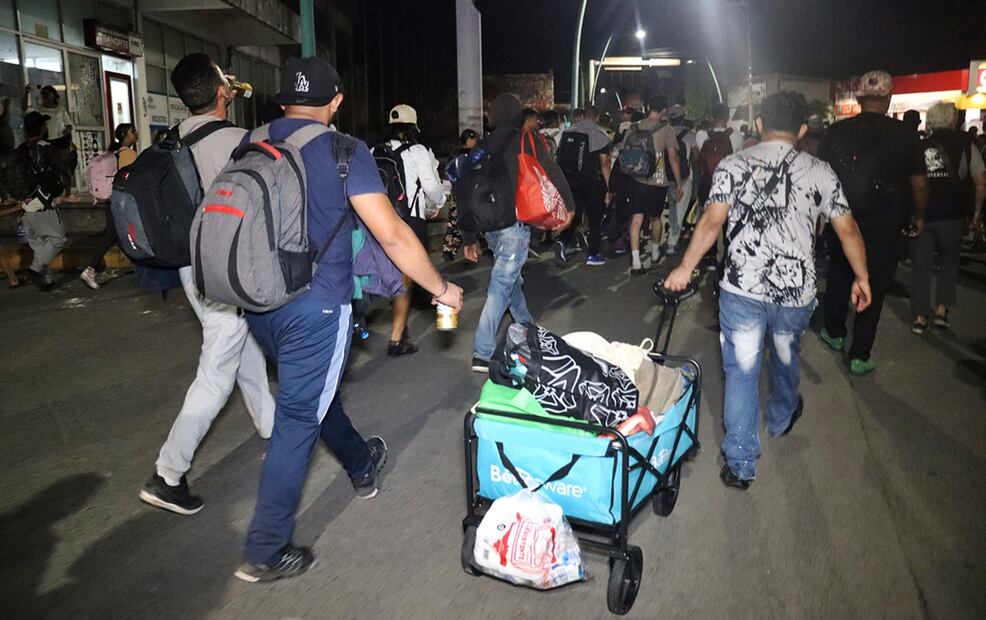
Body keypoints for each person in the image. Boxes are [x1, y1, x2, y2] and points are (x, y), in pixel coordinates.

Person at [233, 57, 463, 582]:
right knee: (297, 418)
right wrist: (443, 288)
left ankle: (361, 464)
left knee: (310, 393)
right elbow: (393, 235)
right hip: (316, 305)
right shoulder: (343, 150)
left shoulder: (251, 142)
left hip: (258, 302)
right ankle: (266, 548)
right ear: (335, 102)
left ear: (282, 102)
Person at [664, 91, 872, 488]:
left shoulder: (733, 164)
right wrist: (862, 278)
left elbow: (711, 223)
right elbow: (848, 229)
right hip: (795, 293)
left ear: (759, 124)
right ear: (803, 129)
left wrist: (684, 269)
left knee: (740, 373)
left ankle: (741, 464)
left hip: (742, 288)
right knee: (783, 354)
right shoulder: (821, 172)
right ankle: (781, 412)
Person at [138, 53, 276, 515]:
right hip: (225, 271)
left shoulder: (171, 140)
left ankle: (270, 425)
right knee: (216, 371)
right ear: (221, 91)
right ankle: (167, 474)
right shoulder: (239, 140)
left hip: (189, 269)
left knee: (240, 346)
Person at [817, 70, 928, 375]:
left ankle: (835, 332)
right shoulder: (906, 135)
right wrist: (919, 214)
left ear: (858, 99)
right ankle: (860, 353)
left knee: (839, 271)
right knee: (876, 282)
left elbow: (819, 175)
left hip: (841, 217)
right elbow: (918, 182)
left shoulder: (837, 132)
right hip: (886, 221)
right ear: (889, 99)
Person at [464, 93, 574, 372]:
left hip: (490, 226)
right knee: (500, 286)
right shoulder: (529, 140)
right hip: (516, 224)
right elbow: (553, 172)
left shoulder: (482, 146)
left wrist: (468, 237)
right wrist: (569, 208)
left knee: (509, 281)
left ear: (492, 117)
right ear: (517, 116)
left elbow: (466, 189)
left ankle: (527, 329)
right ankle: (482, 351)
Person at [376, 104, 447, 356]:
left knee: (397, 275)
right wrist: (438, 204)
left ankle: (400, 324)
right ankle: (397, 338)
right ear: (413, 127)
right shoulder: (418, 151)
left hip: (381, 222)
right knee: (406, 276)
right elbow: (432, 187)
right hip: (411, 221)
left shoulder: (376, 150)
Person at [910, 102, 986, 333]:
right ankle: (941, 310)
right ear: (952, 120)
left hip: (923, 214)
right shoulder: (966, 144)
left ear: (931, 120)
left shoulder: (920, 146)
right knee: (949, 263)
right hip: (953, 215)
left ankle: (920, 316)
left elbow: (913, 182)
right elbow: (981, 181)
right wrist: (976, 212)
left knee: (920, 266)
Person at [619, 94, 683, 275]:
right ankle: (655, 253)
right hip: (658, 180)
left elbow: (623, 150)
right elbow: (673, 157)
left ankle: (637, 262)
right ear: (663, 110)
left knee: (636, 220)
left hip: (636, 179)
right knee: (656, 218)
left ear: (648, 108)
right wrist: (678, 183)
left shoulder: (633, 127)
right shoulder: (667, 129)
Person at [79, 123, 139, 290]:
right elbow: (131, 178)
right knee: (113, 234)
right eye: (133, 132)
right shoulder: (129, 154)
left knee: (118, 234)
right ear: (126, 135)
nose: (137, 134)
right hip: (119, 200)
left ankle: (139, 264)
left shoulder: (115, 153)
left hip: (111, 199)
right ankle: (90, 269)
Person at [556, 104, 612, 266]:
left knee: (573, 213)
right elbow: (604, 164)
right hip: (590, 182)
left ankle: (563, 242)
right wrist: (610, 188)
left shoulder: (568, 132)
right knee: (595, 218)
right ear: (596, 117)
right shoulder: (600, 135)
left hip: (569, 180)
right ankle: (593, 254)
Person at [17, 111, 67, 291]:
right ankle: (36, 269)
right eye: (44, 125)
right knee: (58, 238)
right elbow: (61, 169)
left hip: (25, 203)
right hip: (44, 201)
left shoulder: (20, 150)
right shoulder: (46, 148)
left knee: (39, 243)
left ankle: (46, 282)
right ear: (40, 128)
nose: (46, 127)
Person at [22, 85, 76, 200]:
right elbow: (25, 109)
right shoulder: (39, 109)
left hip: (60, 140)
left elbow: (69, 123)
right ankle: (53, 193)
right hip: (46, 141)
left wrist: (67, 130)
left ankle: (68, 193)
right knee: (51, 168)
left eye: (47, 93)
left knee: (65, 167)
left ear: (53, 94)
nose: (45, 96)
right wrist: (26, 93)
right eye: (43, 94)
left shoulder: (61, 109)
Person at [664, 104, 696, 254]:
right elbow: (695, 156)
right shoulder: (690, 134)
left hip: (666, 176)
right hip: (684, 177)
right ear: (683, 117)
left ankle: (670, 238)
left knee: (672, 209)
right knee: (679, 210)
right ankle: (672, 243)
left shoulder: (664, 133)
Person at [442, 128, 478, 261]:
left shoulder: (455, 155)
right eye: (474, 140)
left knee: (454, 222)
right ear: (468, 140)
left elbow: (448, 174)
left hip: (457, 192)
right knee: (476, 219)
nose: (476, 142)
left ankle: (449, 250)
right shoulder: (471, 156)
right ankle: (484, 246)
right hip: (470, 192)